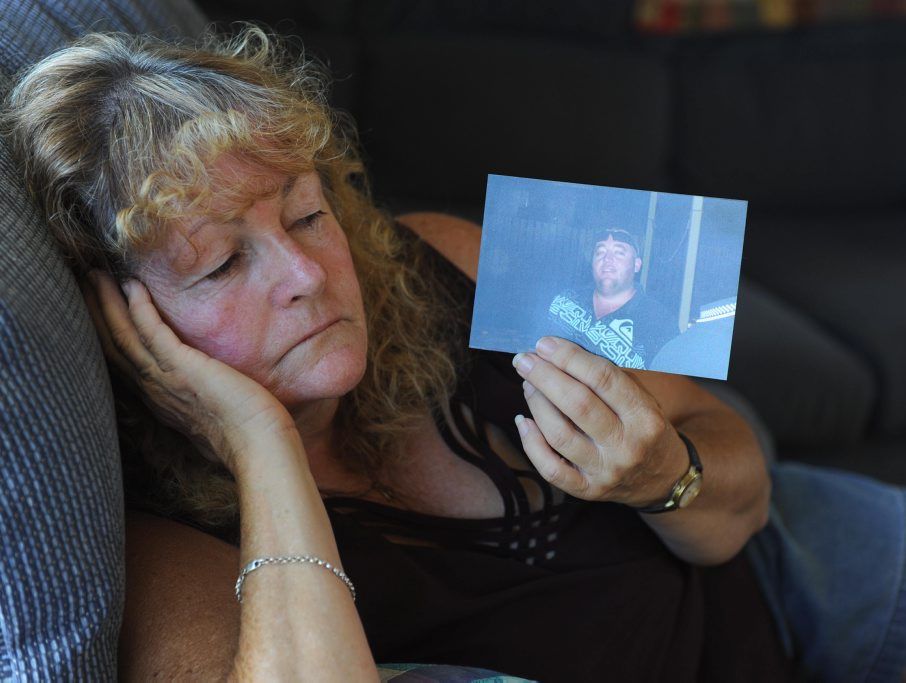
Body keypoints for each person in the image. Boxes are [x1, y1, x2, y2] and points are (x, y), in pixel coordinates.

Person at [4, 27, 905, 683]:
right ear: (125, 324)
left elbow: (738, 485)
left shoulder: (448, 257)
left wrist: (665, 475)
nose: (309, 273)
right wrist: (258, 440)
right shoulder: (164, 550)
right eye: (220, 261)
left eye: (307, 212)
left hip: (798, 587)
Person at [549, 228, 676, 369]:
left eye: (619, 252)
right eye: (600, 252)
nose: (607, 259)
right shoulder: (566, 301)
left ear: (636, 265)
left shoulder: (660, 322)